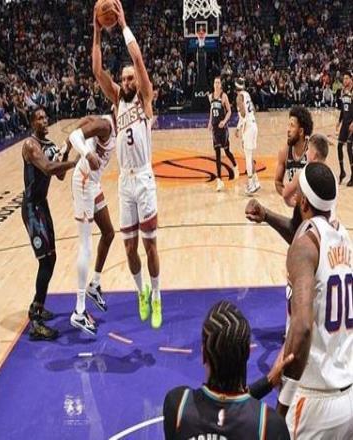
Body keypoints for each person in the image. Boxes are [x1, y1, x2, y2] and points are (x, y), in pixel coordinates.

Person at [249, 163, 353, 439]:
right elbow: (302, 238)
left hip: (313, 401)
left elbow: (303, 327)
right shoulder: (342, 236)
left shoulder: (306, 246)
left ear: (303, 202)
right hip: (347, 396)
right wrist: (267, 216)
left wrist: (284, 401)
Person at [92, 0, 162, 328]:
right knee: (130, 247)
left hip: (144, 179)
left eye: (131, 77)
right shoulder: (117, 100)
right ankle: (141, 291)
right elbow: (97, 72)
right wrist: (96, 31)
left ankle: (157, 295)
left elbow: (138, 59)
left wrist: (121, 25)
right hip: (124, 182)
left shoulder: (145, 97)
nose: (128, 81)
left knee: (150, 246)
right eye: (125, 78)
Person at [163, 301, 291, 439]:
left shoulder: (177, 405)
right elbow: (233, 406)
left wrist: (268, 382)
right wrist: (269, 383)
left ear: (204, 355)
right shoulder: (270, 425)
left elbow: (221, 406)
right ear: (248, 353)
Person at [21, 107, 77, 341]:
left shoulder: (50, 144)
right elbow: (47, 168)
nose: (44, 121)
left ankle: (39, 305)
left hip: (42, 206)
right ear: (32, 123)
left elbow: (59, 175)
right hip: (31, 208)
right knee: (45, 260)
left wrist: (67, 149)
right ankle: (35, 319)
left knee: (51, 258)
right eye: (39, 118)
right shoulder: (30, 145)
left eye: (45, 117)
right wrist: (73, 162)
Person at [67, 115, 116, 336]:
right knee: (85, 245)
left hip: (93, 183)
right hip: (84, 181)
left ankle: (94, 285)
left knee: (108, 233)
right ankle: (79, 311)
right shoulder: (106, 125)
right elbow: (75, 134)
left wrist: (65, 149)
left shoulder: (106, 122)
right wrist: (86, 153)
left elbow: (85, 120)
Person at [208, 77, 239, 192]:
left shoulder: (224, 96)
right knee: (217, 154)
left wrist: (224, 121)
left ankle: (235, 166)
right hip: (215, 128)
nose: (216, 84)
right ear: (213, 84)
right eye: (215, 82)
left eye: (218, 83)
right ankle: (219, 180)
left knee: (227, 151)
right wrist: (210, 122)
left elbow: (229, 111)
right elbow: (211, 111)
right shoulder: (210, 96)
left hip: (223, 128)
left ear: (221, 85)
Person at [274, 106, 313, 196]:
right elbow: (278, 182)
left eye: (292, 126)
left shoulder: (312, 152)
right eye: (288, 125)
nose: (288, 130)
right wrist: (288, 196)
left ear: (301, 131)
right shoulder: (284, 152)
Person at [282, 133, 328, 207]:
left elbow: (285, 195)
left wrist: (296, 205)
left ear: (314, 155)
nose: (306, 152)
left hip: (307, 213)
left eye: (308, 149)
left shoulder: (302, 174)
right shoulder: (332, 177)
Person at [235, 78, 260, 194]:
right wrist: (238, 128)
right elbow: (253, 110)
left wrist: (240, 128)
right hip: (254, 124)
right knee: (250, 156)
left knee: (248, 157)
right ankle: (256, 181)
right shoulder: (247, 94)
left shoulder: (239, 97)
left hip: (248, 127)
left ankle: (251, 185)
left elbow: (243, 114)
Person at [336, 71, 353, 185]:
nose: (344, 80)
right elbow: (343, 108)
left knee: (349, 147)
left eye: (347, 78)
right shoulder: (343, 92)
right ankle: (342, 171)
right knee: (339, 146)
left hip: (352, 124)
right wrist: (339, 121)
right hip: (345, 124)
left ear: (351, 79)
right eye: (344, 78)